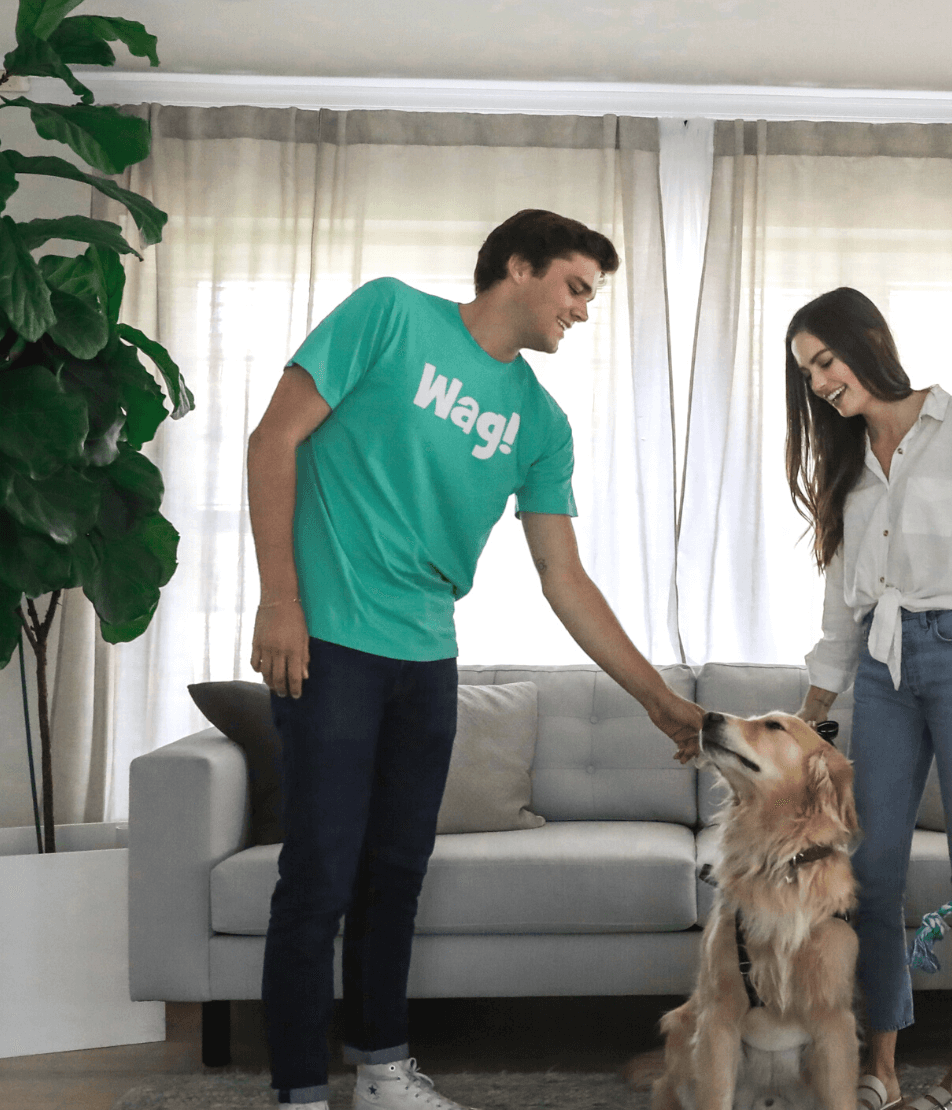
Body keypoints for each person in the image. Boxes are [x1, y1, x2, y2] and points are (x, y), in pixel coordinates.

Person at [245, 209, 705, 1110]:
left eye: (591, 296)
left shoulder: (541, 421)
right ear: (519, 268)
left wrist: (657, 699)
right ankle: (298, 1091)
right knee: (319, 875)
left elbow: (562, 575)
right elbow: (274, 441)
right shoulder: (389, 315)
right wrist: (279, 599)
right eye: (575, 287)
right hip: (330, 640)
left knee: (397, 876)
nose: (582, 310)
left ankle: (382, 1072)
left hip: (426, 662)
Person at [785, 287, 952, 1110]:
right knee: (874, 869)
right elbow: (842, 606)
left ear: (866, 341)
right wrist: (810, 715)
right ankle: (883, 1066)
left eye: (826, 360)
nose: (822, 383)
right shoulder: (847, 461)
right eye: (808, 374)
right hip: (882, 666)